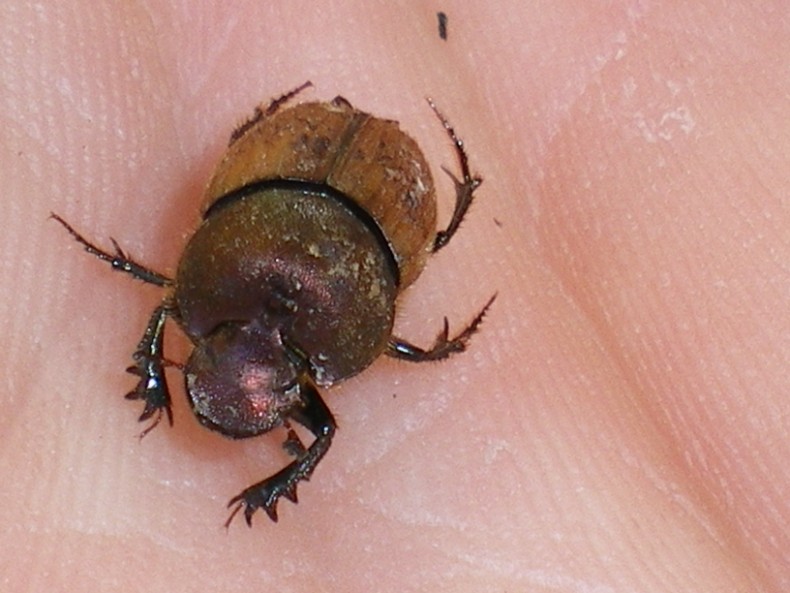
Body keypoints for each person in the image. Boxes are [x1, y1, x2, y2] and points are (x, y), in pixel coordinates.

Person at [2, 2, 787, 591]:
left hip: (332, 185)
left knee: (188, 312)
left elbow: (174, 297)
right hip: (327, 188)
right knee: (269, 378)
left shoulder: (206, 282)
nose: (243, 369)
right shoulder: (216, 282)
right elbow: (176, 298)